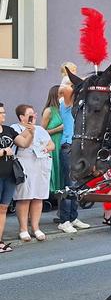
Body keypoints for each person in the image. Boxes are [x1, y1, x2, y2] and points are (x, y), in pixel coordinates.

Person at [11, 104, 54, 242]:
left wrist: (47, 148)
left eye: (34, 114)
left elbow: (51, 144)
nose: (33, 116)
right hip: (25, 163)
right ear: (22, 117)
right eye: (30, 114)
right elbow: (21, 143)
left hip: (40, 164)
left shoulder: (41, 129)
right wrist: (29, 131)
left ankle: (35, 227)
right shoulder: (14, 128)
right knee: (24, 197)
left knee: (38, 197)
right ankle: (23, 228)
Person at [0, 102, 35, 253]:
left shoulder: (9, 130)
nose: (3, 115)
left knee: (3, 208)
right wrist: (3, 152)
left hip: (9, 175)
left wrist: (31, 132)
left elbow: (23, 143)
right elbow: (7, 150)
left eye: (3, 112)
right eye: (0, 113)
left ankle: (0, 241)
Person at [57, 69, 90, 233]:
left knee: (77, 184)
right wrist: (76, 80)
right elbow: (66, 89)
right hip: (68, 146)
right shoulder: (66, 102)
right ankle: (64, 220)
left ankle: (73, 217)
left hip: (77, 147)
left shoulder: (77, 103)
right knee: (69, 184)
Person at [41, 85, 64, 195]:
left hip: (63, 143)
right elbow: (42, 132)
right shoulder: (49, 111)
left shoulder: (64, 109)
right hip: (53, 143)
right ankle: (52, 192)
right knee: (54, 166)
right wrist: (58, 129)